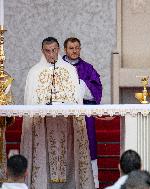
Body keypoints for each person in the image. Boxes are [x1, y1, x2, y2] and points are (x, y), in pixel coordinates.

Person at [21, 37, 95, 189]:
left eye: (54, 50)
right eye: (48, 51)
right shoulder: (34, 72)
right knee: (43, 155)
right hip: (43, 124)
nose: (51, 54)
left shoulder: (69, 70)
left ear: (59, 50)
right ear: (43, 52)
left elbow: (76, 97)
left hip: (65, 123)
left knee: (66, 155)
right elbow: (30, 99)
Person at [63, 37, 102, 188]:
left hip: (84, 115)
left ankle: (89, 183)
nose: (74, 51)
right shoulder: (57, 68)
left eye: (77, 48)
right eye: (71, 48)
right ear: (65, 50)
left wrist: (81, 86)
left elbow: (97, 91)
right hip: (63, 114)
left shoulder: (88, 68)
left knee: (88, 146)